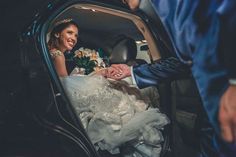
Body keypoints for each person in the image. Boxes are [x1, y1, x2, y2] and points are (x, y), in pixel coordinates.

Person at [105, 0, 236, 157]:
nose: (126, 4)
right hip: (212, 98)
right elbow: (183, 61)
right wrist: (131, 71)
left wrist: (233, 82)